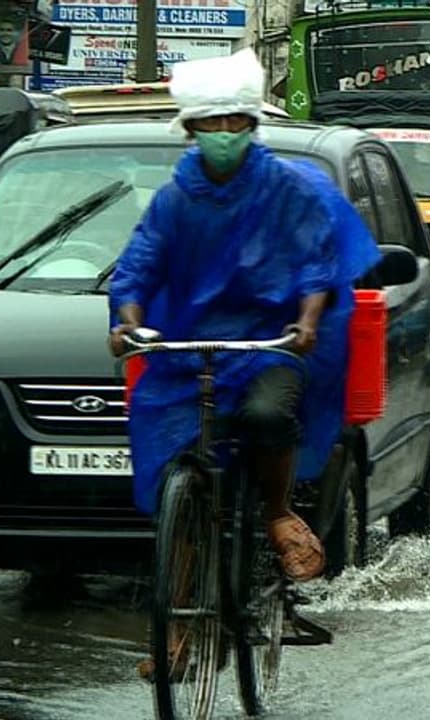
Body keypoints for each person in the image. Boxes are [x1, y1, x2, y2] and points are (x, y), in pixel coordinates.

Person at [106, 49, 380, 678]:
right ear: (192, 131)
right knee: (180, 470)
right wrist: (127, 318)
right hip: (196, 344)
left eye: (235, 123)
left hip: (271, 343)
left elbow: (315, 261)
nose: (225, 135)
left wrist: (307, 323)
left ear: (251, 125)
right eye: (212, 125)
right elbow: (140, 262)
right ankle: (177, 629)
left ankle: (280, 511)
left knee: (264, 414)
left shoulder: (288, 187)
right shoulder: (176, 199)